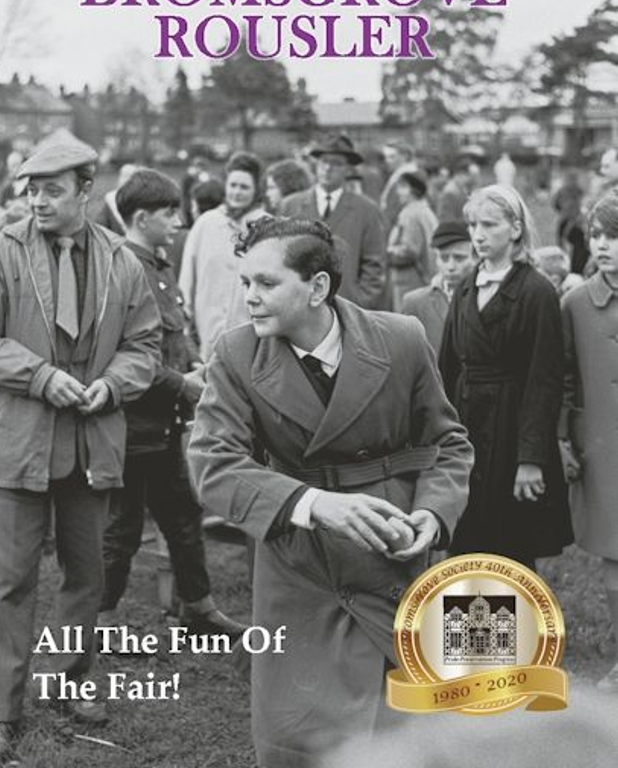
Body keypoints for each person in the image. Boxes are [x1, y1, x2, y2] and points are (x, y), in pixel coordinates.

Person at [189, 216, 473, 768]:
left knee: (402, 735)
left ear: (317, 287)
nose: (249, 297)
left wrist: (432, 515)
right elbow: (212, 465)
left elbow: (448, 443)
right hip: (298, 567)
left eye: (266, 283)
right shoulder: (236, 354)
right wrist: (314, 504)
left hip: (392, 558)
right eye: (245, 282)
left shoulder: (401, 339)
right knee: (295, 735)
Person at [0, 143, 161, 761]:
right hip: (19, 443)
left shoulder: (121, 260)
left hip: (92, 443)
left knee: (87, 574)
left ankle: (69, 681)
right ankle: (3, 714)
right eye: (31, 189)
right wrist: (39, 376)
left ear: (87, 190)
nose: (37, 201)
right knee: (11, 582)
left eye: (52, 190)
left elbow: (145, 345)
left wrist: (113, 385)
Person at [99, 169, 246, 639]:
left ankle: (198, 609)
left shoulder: (158, 266)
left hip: (163, 424)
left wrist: (195, 364)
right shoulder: (124, 270)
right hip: (130, 427)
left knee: (182, 516)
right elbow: (123, 357)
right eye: (169, 213)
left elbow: (171, 338)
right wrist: (183, 384)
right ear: (142, 218)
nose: (179, 222)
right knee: (121, 530)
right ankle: (99, 622)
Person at [438, 185, 572, 567]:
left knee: (509, 544)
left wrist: (530, 460)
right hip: (467, 425)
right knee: (466, 540)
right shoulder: (466, 287)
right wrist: (440, 439)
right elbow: (447, 366)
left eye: (489, 225)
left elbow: (544, 381)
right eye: (473, 225)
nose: (478, 235)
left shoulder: (537, 291)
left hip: (511, 429)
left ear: (515, 229)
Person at [560, 192, 618, 693]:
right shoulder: (575, 303)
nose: (603, 245)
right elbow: (563, 379)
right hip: (603, 447)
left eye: (614, 236)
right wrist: (564, 438)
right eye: (597, 236)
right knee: (614, 557)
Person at [280, 134, 387, 310]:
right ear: (316, 164)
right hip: (299, 307)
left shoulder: (367, 210)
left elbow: (374, 264)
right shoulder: (291, 205)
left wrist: (360, 302)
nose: (328, 168)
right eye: (324, 161)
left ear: (349, 169)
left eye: (337, 163)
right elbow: (280, 257)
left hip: (346, 307)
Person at [178, 151, 268, 360]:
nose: (237, 192)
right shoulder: (205, 223)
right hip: (206, 341)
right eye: (233, 185)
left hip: (252, 341)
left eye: (244, 187)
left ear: (256, 190)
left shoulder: (268, 226)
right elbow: (187, 280)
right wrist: (185, 325)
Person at [401, 220, 473, 355]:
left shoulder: (486, 299)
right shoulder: (415, 302)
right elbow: (407, 355)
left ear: (475, 258)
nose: (451, 266)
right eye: (444, 258)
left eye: (459, 258)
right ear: (436, 259)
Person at [386, 170, 438, 311]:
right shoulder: (424, 210)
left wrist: (387, 253)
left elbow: (409, 251)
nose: (398, 192)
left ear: (414, 190)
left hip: (410, 280)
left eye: (403, 187)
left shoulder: (410, 214)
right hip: (424, 279)